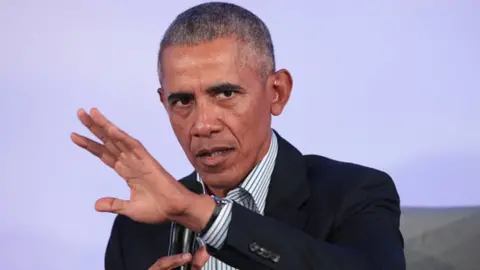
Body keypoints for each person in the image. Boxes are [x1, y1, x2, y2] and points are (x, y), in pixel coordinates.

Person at [71, 2, 405, 270]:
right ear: (164, 103)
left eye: (226, 94)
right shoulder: (137, 227)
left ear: (277, 92)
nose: (202, 124)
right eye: (183, 101)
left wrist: (201, 214)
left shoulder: (355, 193)